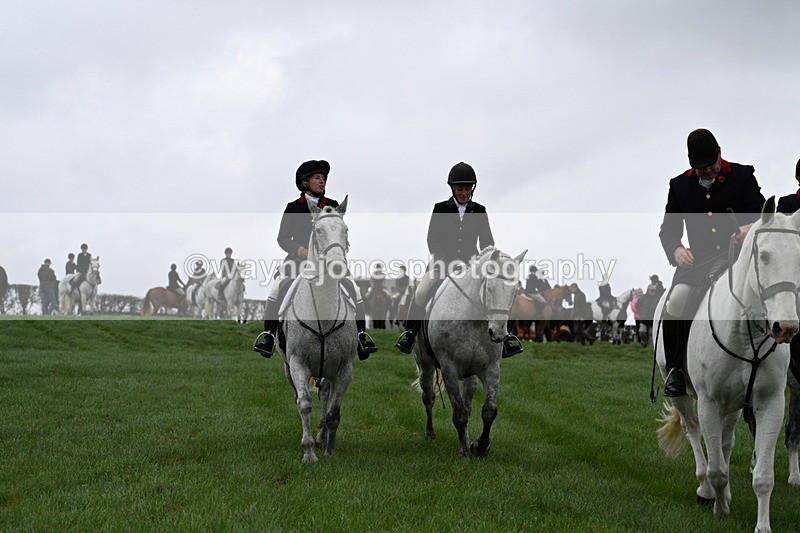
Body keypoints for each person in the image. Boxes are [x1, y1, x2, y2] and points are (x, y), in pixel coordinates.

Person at [658, 128, 766, 397]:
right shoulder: (679, 185)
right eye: (700, 168)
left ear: (720, 153)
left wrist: (748, 228)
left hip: (740, 257)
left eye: (711, 165)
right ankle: (675, 370)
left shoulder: (742, 176)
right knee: (677, 301)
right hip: (699, 263)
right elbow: (668, 230)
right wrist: (676, 250)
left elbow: (764, 216)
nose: (707, 171)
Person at [395, 162, 523, 357]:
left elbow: (487, 241)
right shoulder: (440, 208)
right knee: (421, 291)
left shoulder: (479, 210)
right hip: (442, 262)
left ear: (472, 189)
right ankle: (410, 333)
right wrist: (442, 259)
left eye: (467, 189)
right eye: (460, 189)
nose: (464, 193)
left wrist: (487, 262)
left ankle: (505, 340)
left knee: (497, 290)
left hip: (472, 265)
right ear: (452, 189)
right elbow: (432, 238)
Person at [253, 159, 377, 360]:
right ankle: (268, 336)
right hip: (298, 261)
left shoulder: (333, 206)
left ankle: (362, 335)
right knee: (277, 287)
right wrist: (299, 249)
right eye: (317, 177)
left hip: (329, 262)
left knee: (354, 289)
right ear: (305, 183)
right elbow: (282, 238)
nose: (322, 181)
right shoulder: (293, 207)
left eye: (324, 178)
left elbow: (338, 233)